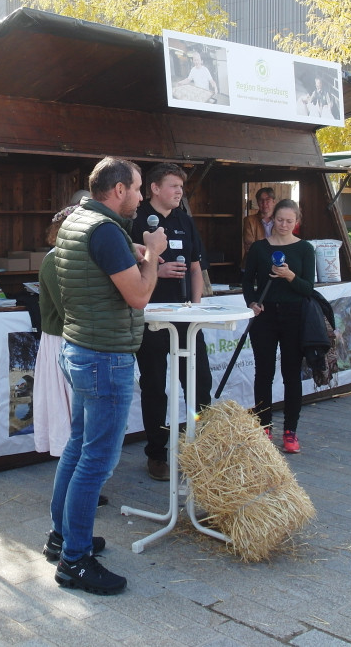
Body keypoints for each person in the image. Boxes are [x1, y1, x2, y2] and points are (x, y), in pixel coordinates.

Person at [48, 157, 165, 595]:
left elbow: (92, 275)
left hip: (80, 347)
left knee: (78, 449)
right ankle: (74, 561)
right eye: (136, 189)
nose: (140, 196)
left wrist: (133, 252)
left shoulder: (78, 221)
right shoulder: (106, 230)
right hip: (105, 356)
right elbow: (137, 296)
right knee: (96, 461)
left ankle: (62, 537)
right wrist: (153, 254)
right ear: (118, 190)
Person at [129, 163, 209, 481]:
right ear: (154, 188)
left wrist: (197, 308)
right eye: (173, 185)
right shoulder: (134, 221)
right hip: (150, 318)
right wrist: (154, 270)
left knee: (199, 383)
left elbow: (195, 268)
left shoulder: (185, 221)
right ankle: (156, 454)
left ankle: (201, 447)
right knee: (154, 387)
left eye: (181, 187)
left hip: (186, 318)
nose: (179, 191)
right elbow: (121, 270)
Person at [242, 198, 317, 454]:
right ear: (272, 219)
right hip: (265, 316)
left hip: (295, 315)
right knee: (264, 371)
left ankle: (290, 431)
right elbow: (247, 281)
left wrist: (290, 276)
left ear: (297, 222)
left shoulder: (305, 248)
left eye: (289, 220)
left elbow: (309, 288)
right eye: (280, 219)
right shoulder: (259, 248)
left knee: (291, 373)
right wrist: (252, 302)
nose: (284, 224)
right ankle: (264, 426)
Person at [33, 205, 77, 459]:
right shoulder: (55, 260)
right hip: (63, 343)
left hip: (74, 340)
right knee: (68, 414)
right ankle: (74, 486)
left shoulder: (73, 258)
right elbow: (68, 310)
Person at [242, 187, 276, 257]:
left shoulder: (280, 220)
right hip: (254, 262)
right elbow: (249, 247)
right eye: (261, 200)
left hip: (276, 261)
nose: (264, 203)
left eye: (267, 200)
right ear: (257, 202)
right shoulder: (249, 220)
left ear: (273, 202)